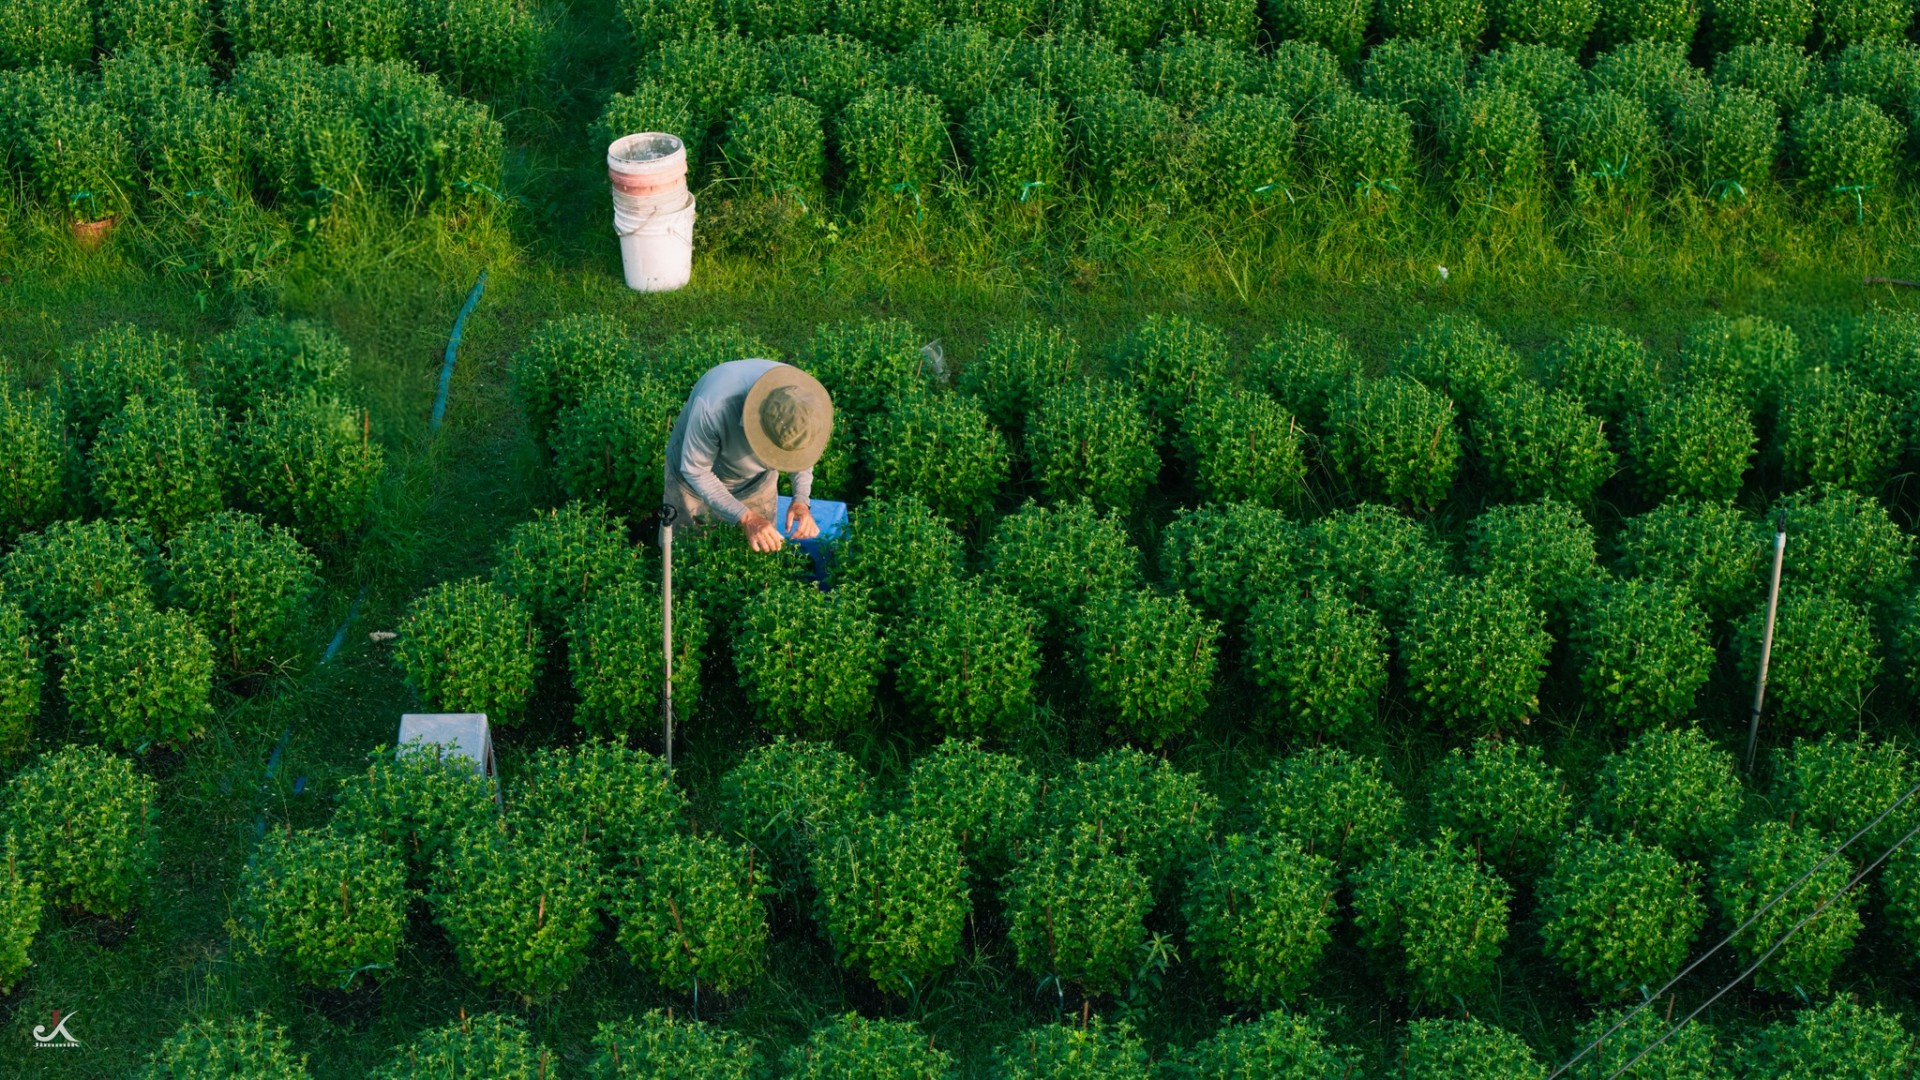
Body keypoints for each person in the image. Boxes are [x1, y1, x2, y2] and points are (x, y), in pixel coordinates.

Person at [663, 359, 835, 552]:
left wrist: (801, 500)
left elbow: (801, 452)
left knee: (759, 549)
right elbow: (696, 471)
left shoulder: (801, 401)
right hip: (691, 483)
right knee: (687, 552)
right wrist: (747, 517)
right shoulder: (714, 406)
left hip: (755, 483)